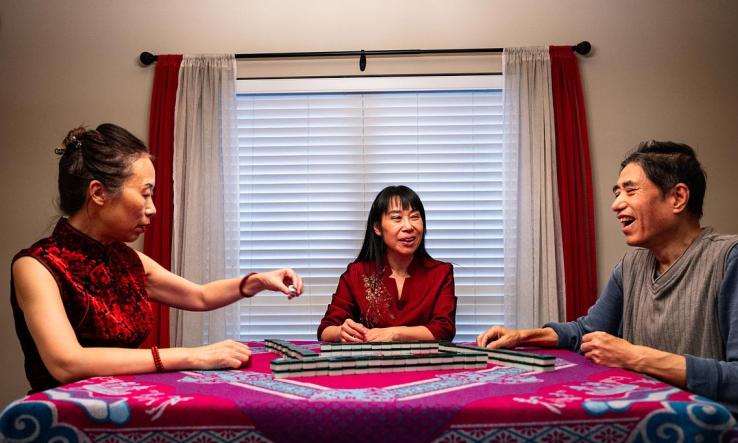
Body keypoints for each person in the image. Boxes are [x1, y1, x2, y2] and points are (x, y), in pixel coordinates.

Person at [477, 141, 738, 443]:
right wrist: (522, 335)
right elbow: (587, 331)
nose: (616, 203)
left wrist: (635, 356)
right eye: (616, 192)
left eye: (629, 190)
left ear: (678, 198)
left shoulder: (737, 258)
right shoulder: (631, 264)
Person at [11, 123, 304, 393]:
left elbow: (200, 296)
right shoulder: (36, 266)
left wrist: (257, 281)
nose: (152, 209)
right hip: (61, 420)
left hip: (125, 407)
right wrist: (191, 355)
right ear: (98, 192)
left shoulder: (128, 260)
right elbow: (67, 364)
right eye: (145, 194)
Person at [318, 185, 456, 342]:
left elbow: (444, 330)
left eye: (415, 217)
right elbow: (325, 330)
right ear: (377, 228)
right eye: (397, 218)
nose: (409, 226)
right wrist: (341, 331)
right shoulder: (357, 273)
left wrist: (395, 334)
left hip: (423, 364)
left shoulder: (441, 272)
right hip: (371, 364)